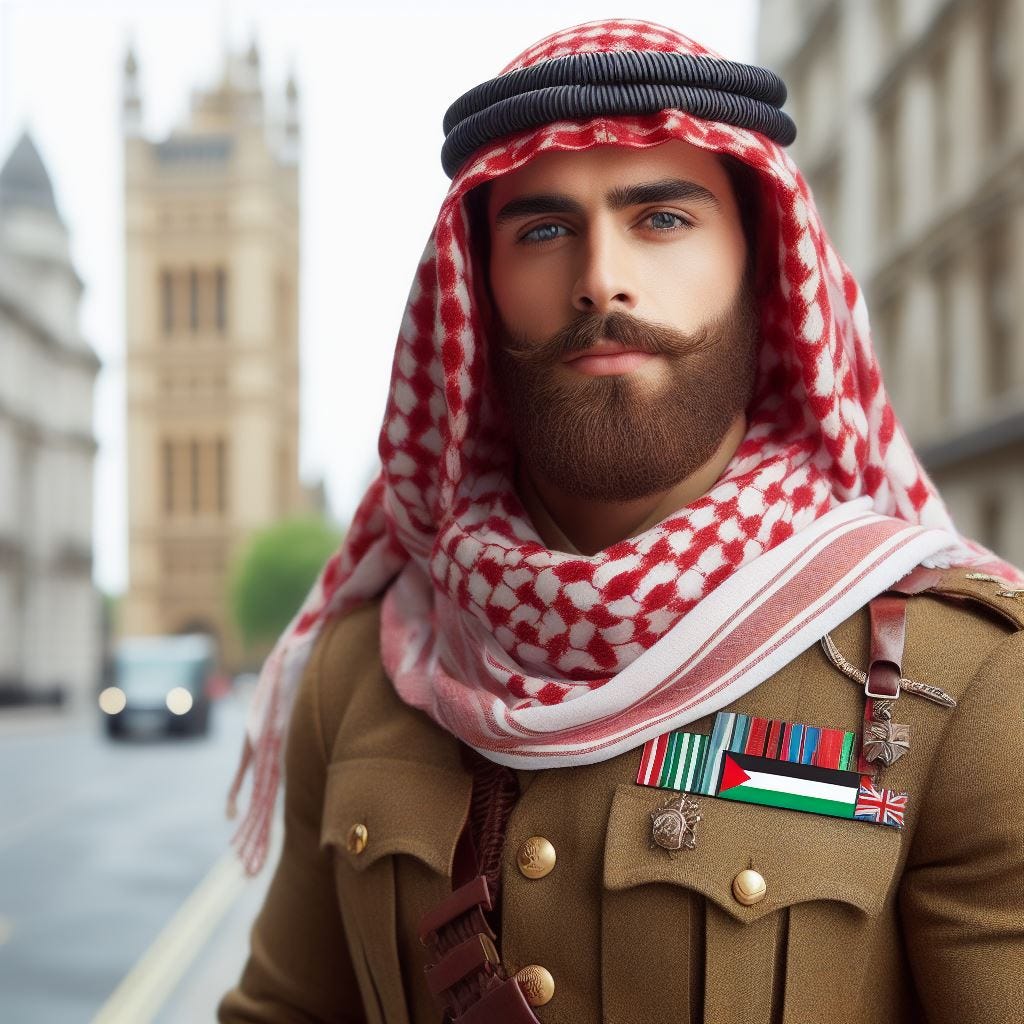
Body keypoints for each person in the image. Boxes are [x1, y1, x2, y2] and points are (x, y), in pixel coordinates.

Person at [219, 19, 1024, 1024]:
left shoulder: (969, 682)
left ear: (761, 266)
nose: (600, 277)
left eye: (663, 219)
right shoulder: (361, 672)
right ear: (478, 287)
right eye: (543, 231)